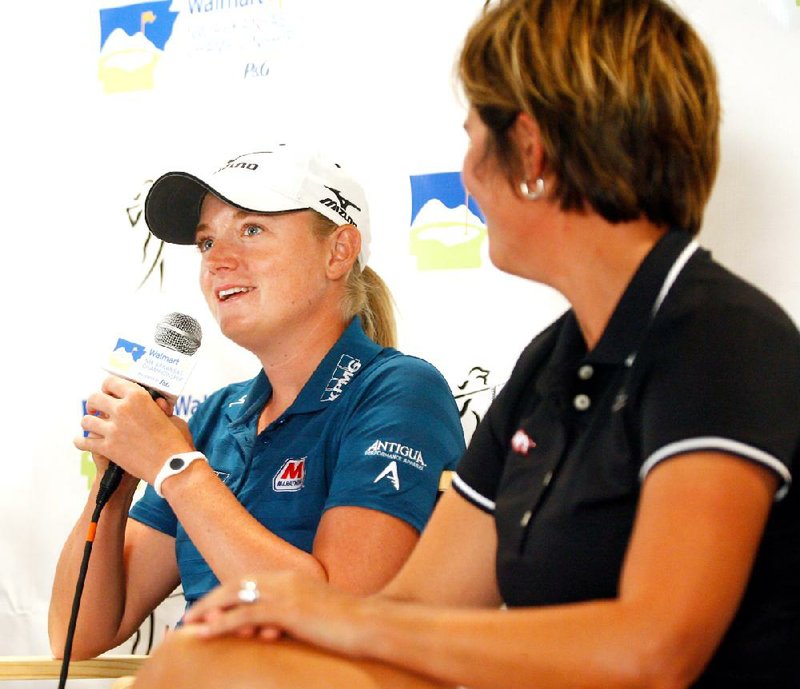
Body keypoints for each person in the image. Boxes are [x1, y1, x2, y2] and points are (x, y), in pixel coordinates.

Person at [136, 2, 800, 688]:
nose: (466, 177)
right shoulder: (551, 363)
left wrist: (335, 615)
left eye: (473, 139)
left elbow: (652, 651)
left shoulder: (722, 339)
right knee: (192, 664)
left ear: (532, 151)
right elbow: (413, 613)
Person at [48, 145, 465, 660]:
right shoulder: (217, 416)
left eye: (251, 230)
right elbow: (78, 634)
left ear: (339, 251)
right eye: (206, 242)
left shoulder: (399, 390)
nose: (218, 260)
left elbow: (341, 617)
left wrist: (176, 467)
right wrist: (114, 483)